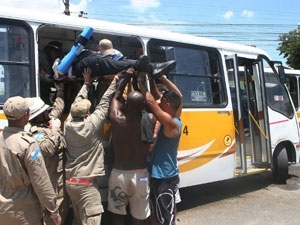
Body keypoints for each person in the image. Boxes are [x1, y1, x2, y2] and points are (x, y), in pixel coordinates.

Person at [64, 67, 123, 225]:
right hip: (87, 187)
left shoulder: (68, 123)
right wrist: (116, 80)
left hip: (70, 183)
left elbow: (76, 103)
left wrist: (86, 84)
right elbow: (104, 102)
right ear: (87, 113)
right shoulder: (91, 125)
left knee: (77, 219)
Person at [0, 96, 61, 225]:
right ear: (26, 115)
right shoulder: (28, 144)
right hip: (24, 210)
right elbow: (40, 180)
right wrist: (53, 210)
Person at [107, 68, 156, 225]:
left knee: (118, 217)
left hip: (119, 174)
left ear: (126, 104)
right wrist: (140, 81)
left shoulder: (117, 119)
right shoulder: (150, 118)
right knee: (139, 218)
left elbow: (116, 96)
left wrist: (127, 78)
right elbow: (150, 102)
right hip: (140, 175)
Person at [138, 73, 183, 225]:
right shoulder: (177, 117)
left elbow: (152, 104)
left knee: (165, 217)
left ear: (168, 105)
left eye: (162, 101)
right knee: (162, 213)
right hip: (166, 174)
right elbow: (179, 96)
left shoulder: (171, 123)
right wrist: (159, 79)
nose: (159, 101)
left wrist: (139, 81)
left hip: (163, 177)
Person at [27, 82, 69, 225]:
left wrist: (60, 90)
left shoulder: (48, 121)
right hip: (53, 186)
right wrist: (56, 130)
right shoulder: (35, 134)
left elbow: (58, 107)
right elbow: (48, 149)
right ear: (38, 117)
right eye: (44, 112)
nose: (48, 112)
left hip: (60, 180)